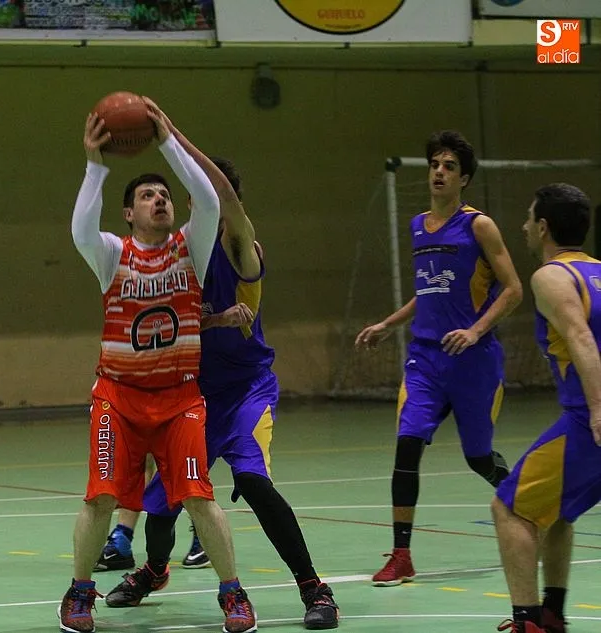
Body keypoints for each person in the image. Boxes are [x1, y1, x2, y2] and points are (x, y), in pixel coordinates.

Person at [98, 102, 338, 630]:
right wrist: (214, 321)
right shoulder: (179, 253)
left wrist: (169, 134)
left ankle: (313, 587)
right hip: (197, 395)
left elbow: (223, 196)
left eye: (217, 193)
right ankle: (153, 570)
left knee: (253, 482)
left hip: (248, 389)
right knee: (162, 503)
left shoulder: (239, 246)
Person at [60, 102, 257, 633]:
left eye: (164, 194)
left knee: (198, 498)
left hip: (179, 399)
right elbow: (80, 229)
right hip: (118, 397)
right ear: (129, 213)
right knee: (101, 497)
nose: (160, 199)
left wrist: (167, 140)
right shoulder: (111, 253)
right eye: (147, 195)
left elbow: (210, 200)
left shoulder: (192, 249)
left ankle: (233, 593)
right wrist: (95, 165)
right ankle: (79, 592)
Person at [355, 130, 523, 586]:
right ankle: (401, 555)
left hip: (473, 359)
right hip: (426, 360)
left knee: (478, 458)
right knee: (407, 447)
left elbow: (513, 289)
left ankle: (528, 506)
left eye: (449, 167)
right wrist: (389, 324)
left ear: (463, 179)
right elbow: (427, 293)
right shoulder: (417, 226)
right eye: (435, 164)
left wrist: (474, 330)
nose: (439, 172)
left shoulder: (479, 226)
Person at [491, 183, 601, 633]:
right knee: (559, 510)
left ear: (543, 227)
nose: (523, 227)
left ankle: (528, 622)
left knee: (509, 508)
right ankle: (552, 613)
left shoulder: (551, 276)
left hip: (587, 420)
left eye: (528, 218)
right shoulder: (598, 272)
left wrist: (598, 410)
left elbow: (580, 337)